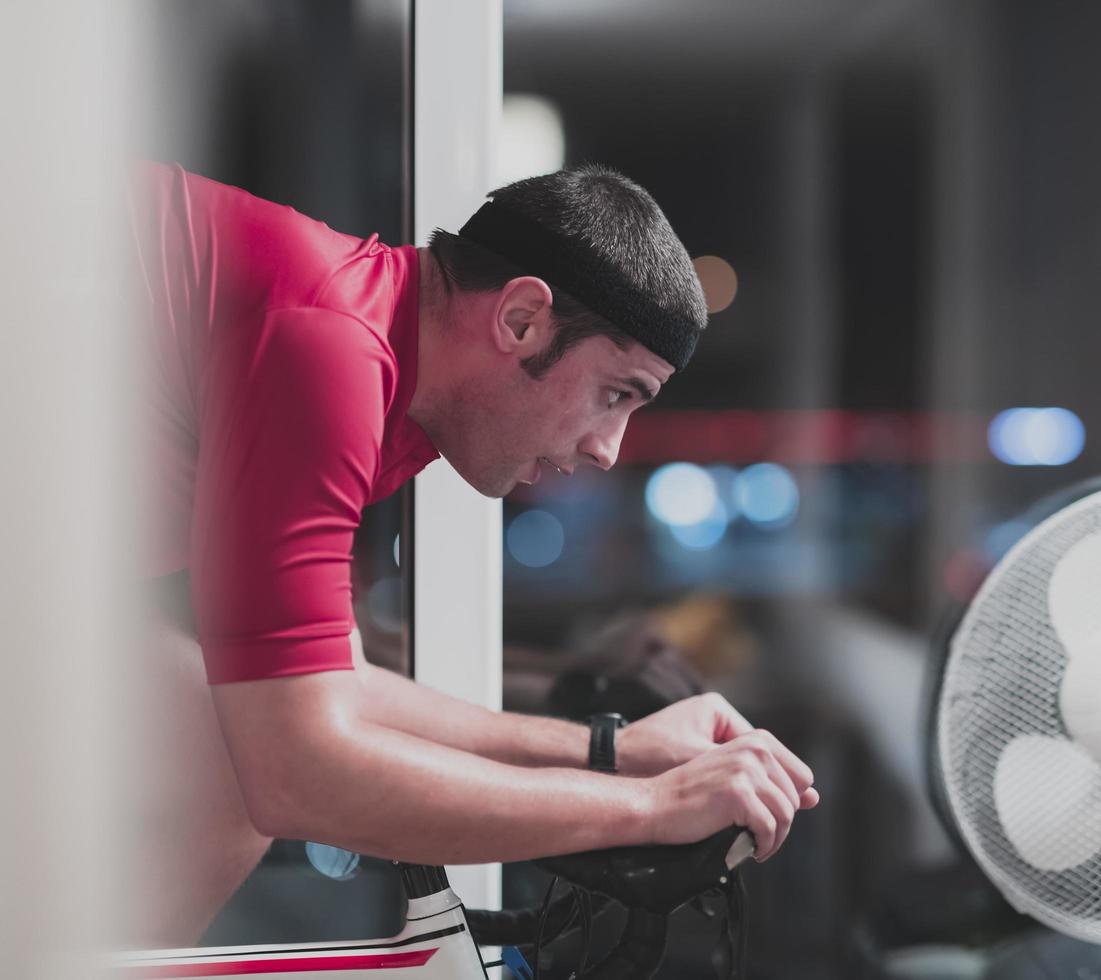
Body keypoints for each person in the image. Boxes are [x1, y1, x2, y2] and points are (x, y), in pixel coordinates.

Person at [129, 161, 818, 946]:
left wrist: (615, 750)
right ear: (522, 318)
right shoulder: (328, 345)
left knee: (214, 733)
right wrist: (652, 810)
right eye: (616, 394)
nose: (607, 450)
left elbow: (327, 686)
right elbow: (295, 771)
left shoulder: (383, 375)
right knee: (224, 753)